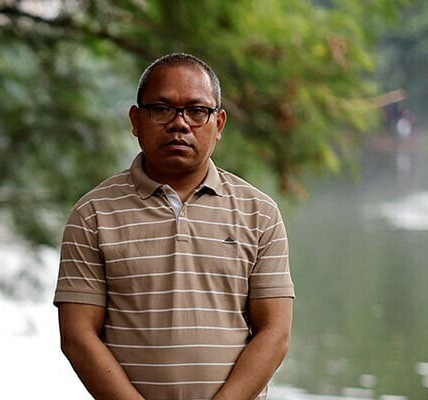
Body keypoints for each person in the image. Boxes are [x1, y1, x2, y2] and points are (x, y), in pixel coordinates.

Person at [54, 53, 294, 400]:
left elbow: (275, 333)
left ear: (219, 124)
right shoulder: (93, 213)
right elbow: (77, 336)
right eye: (161, 109)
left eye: (197, 111)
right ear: (136, 120)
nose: (180, 124)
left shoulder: (259, 213)